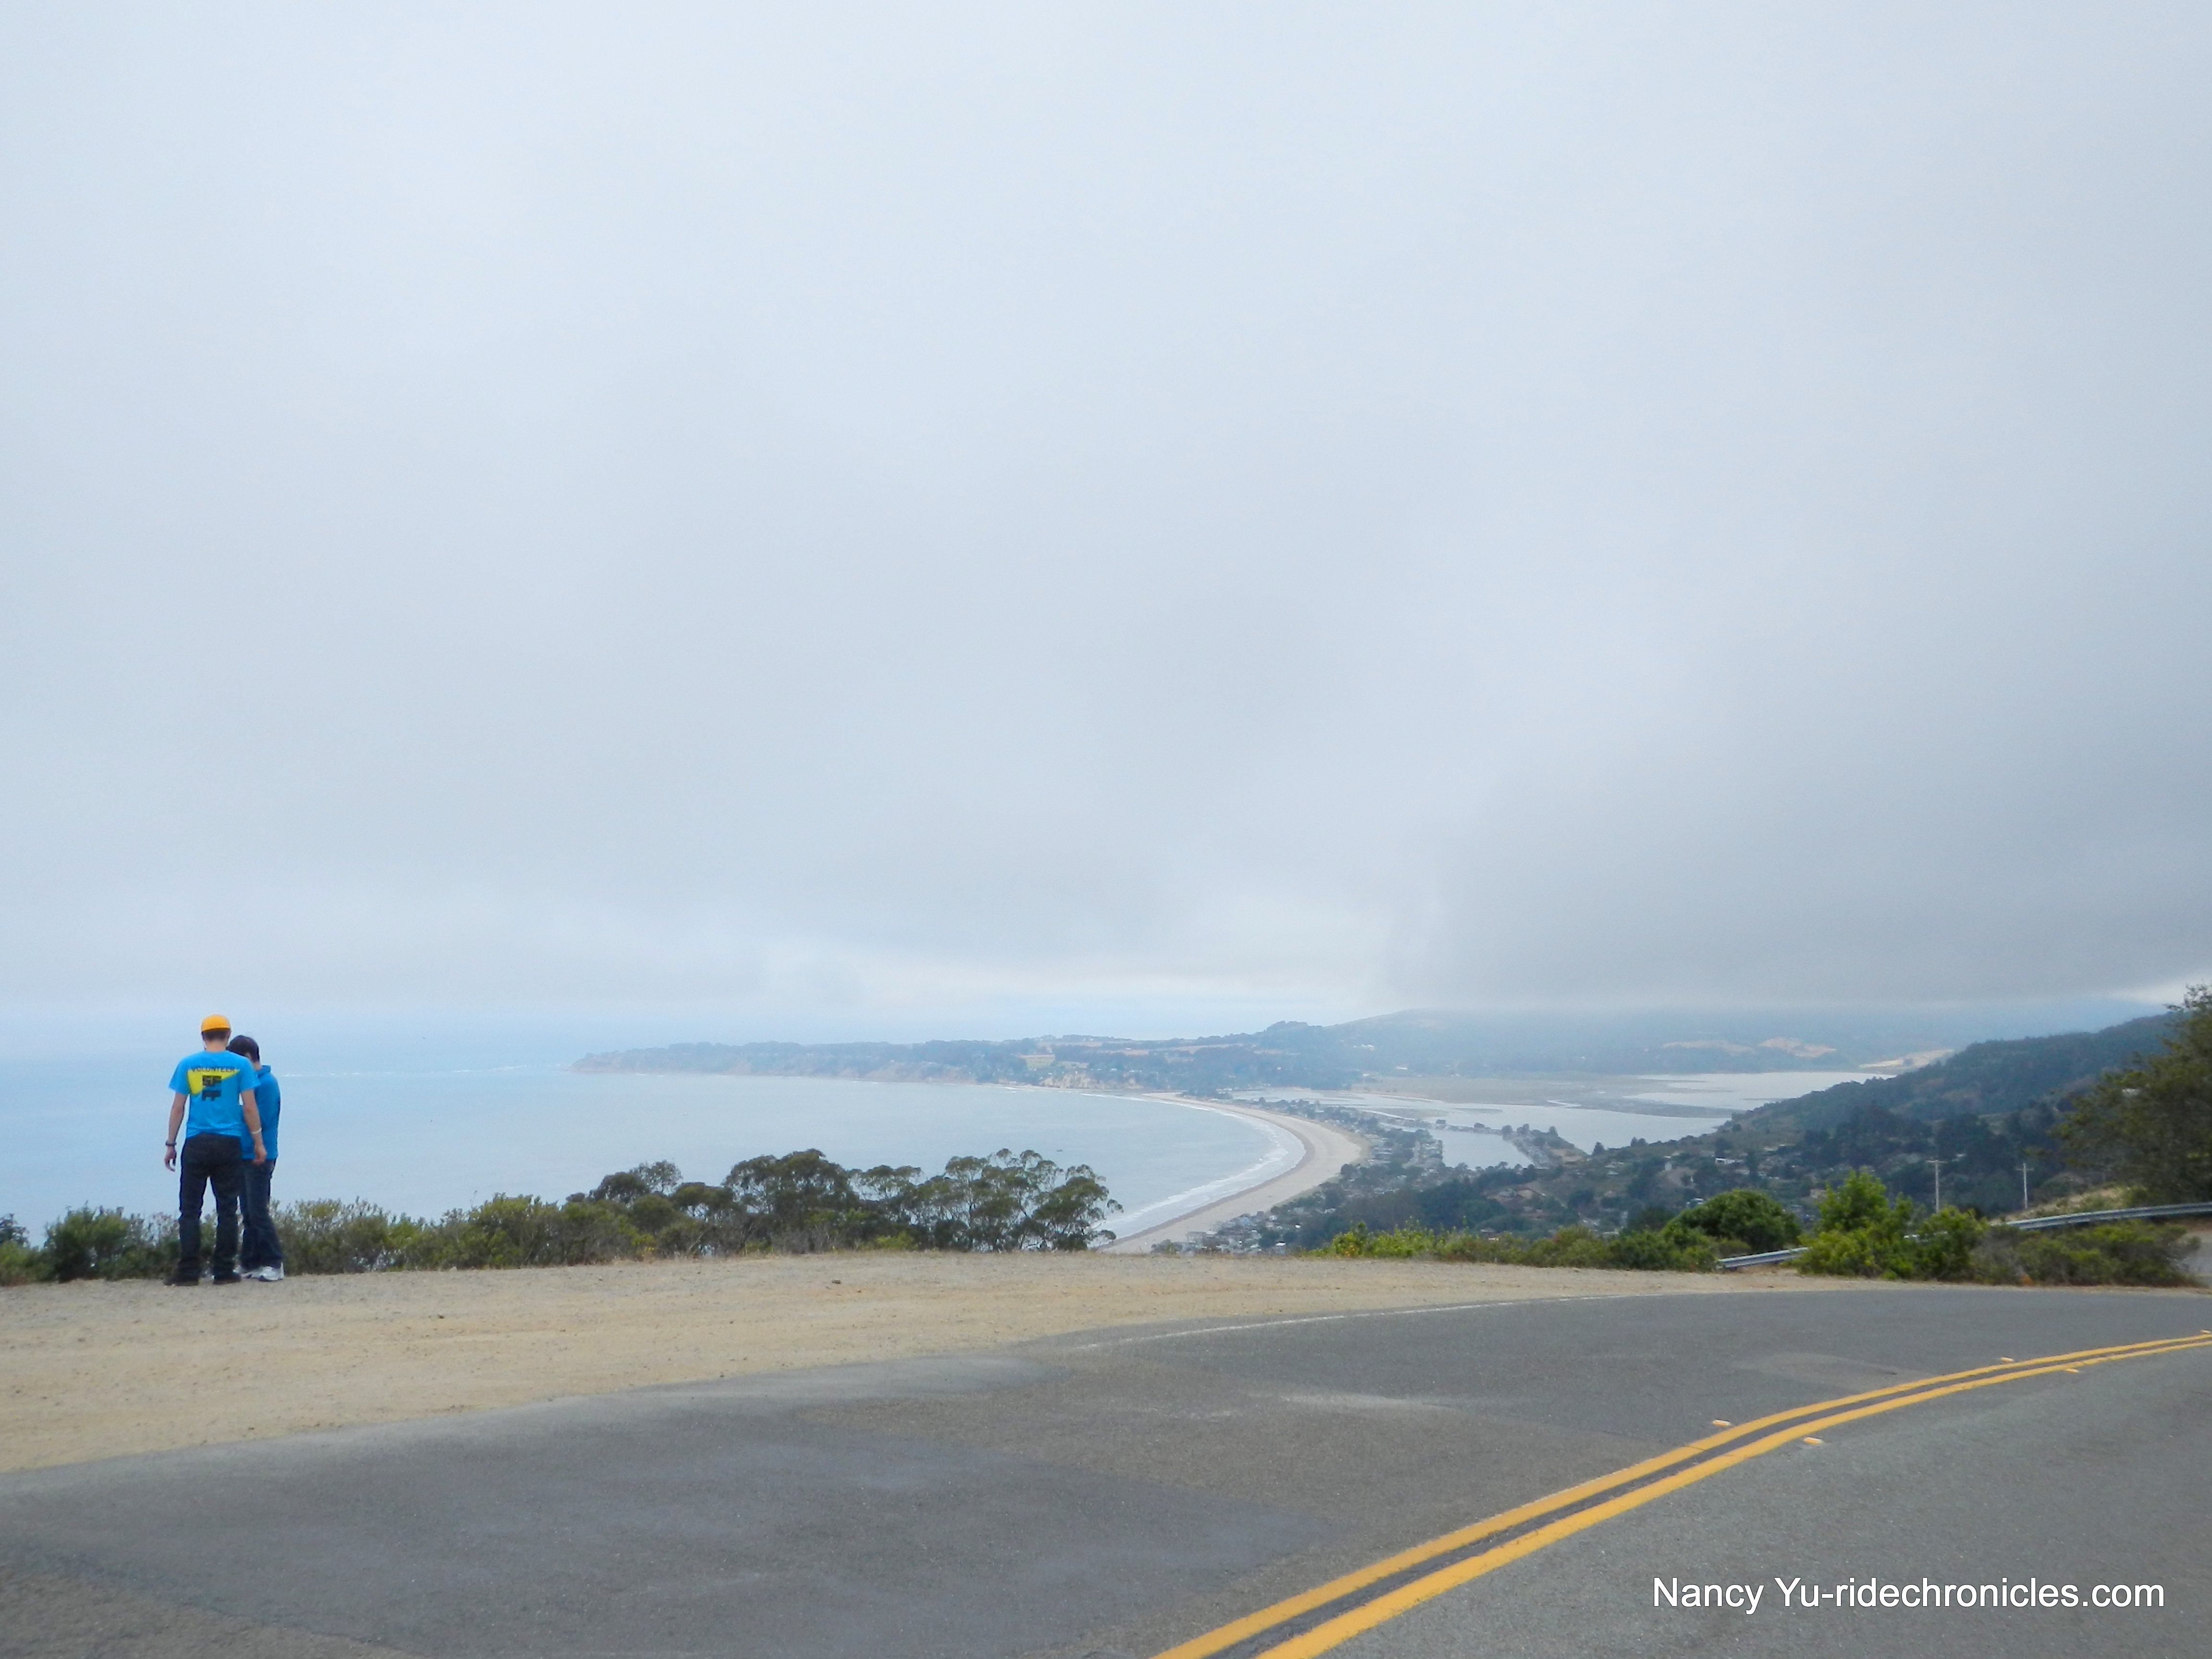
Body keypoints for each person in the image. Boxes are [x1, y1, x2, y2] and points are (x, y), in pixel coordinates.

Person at [163, 1015, 266, 1286]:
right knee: (227, 1209)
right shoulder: (241, 1065)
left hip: (197, 1142)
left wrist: (170, 1144)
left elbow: (178, 1108)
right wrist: (258, 1142)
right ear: (228, 1035)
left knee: (190, 1210)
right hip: (228, 1143)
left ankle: (188, 1271)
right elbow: (250, 1107)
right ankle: (223, 1270)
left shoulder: (188, 1065)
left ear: (203, 1036)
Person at [228, 1034, 285, 1282]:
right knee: (248, 1212)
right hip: (243, 1153)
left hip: (261, 1156)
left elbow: (262, 1119)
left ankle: (274, 1262)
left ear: (247, 1058)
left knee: (258, 1210)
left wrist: (236, 1110)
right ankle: (250, 1261)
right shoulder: (248, 1085)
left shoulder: (267, 1084)